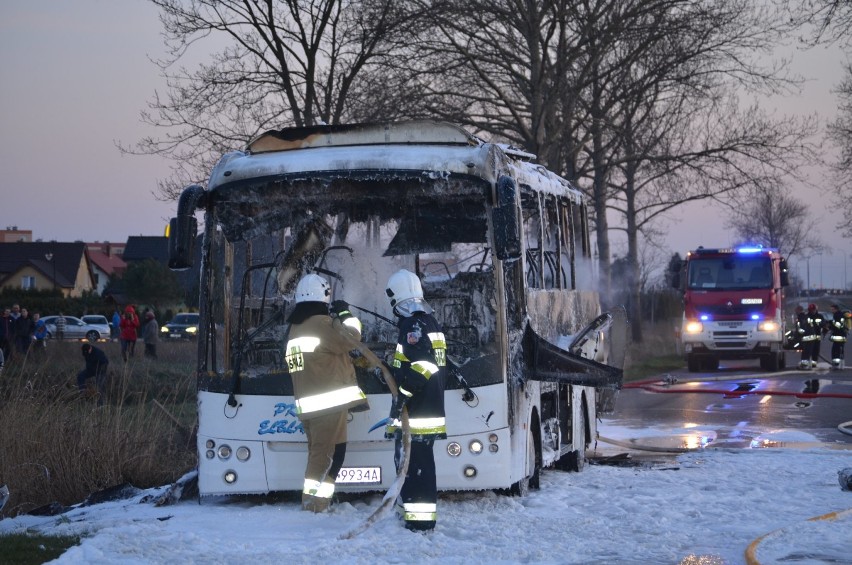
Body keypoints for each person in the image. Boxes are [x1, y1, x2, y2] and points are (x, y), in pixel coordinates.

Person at [284, 273, 367, 513]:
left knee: (333, 453)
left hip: (312, 407)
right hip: (327, 407)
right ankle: (313, 505)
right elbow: (354, 339)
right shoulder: (321, 324)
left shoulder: (295, 328)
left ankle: (319, 501)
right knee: (324, 457)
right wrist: (345, 314)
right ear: (325, 298)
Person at [384, 269, 447, 532]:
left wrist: (403, 396)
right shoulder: (429, 322)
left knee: (417, 468)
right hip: (427, 409)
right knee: (411, 465)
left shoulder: (414, 326)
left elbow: (422, 365)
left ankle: (419, 523)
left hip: (418, 413)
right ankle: (409, 514)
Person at [799, 303, 824, 369]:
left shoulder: (820, 316)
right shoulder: (806, 316)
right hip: (809, 337)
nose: (812, 311)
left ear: (816, 309)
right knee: (808, 350)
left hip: (817, 337)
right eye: (811, 310)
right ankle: (807, 363)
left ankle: (814, 363)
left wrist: (821, 325)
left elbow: (823, 324)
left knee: (815, 351)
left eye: (813, 310)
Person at [826, 304, 849, 370]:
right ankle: (841, 365)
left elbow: (839, 325)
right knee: (840, 351)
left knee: (836, 351)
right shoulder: (839, 315)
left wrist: (831, 322)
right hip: (841, 336)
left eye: (832, 309)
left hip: (839, 336)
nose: (831, 311)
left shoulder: (838, 315)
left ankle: (836, 365)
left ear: (836, 309)